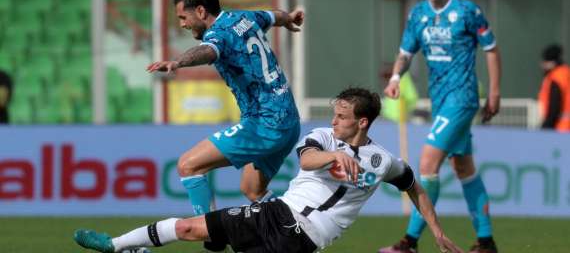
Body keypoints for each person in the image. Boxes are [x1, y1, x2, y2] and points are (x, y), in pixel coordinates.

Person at [73, 87, 463, 253]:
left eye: (342, 116)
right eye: (335, 113)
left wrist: (438, 232)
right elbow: (307, 159)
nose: (335, 119)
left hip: (304, 238)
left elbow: (416, 187)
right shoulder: (322, 138)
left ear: (362, 122)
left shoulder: (383, 162)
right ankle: (115, 245)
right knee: (195, 228)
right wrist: (331, 157)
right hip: (277, 211)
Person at [146, 0, 303, 250]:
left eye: (184, 17)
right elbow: (272, 16)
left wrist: (178, 62)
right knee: (252, 190)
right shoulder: (242, 17)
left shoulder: (218, 35)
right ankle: (293, 231)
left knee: (188, 165)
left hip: (265, 123)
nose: (183, 24)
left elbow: (208, 51)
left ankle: (212, 234)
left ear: (201, 10)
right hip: (289, 120)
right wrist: (289, 18)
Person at [378, 0, 502, 253]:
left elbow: (492, 49)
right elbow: (405, 53)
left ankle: (409, 242)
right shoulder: (418, 14)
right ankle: (486, 241)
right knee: (463, 168)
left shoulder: (467, 12)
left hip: (462, 99)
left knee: (426, 164)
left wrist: (494, 93)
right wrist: (396, 76)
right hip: (440, 100)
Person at [538, 44, 570, 132]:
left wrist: (545, 127)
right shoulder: (566, 73)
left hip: (560, 129)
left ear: (550, 62)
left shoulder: (555, 78)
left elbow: (554, 107)